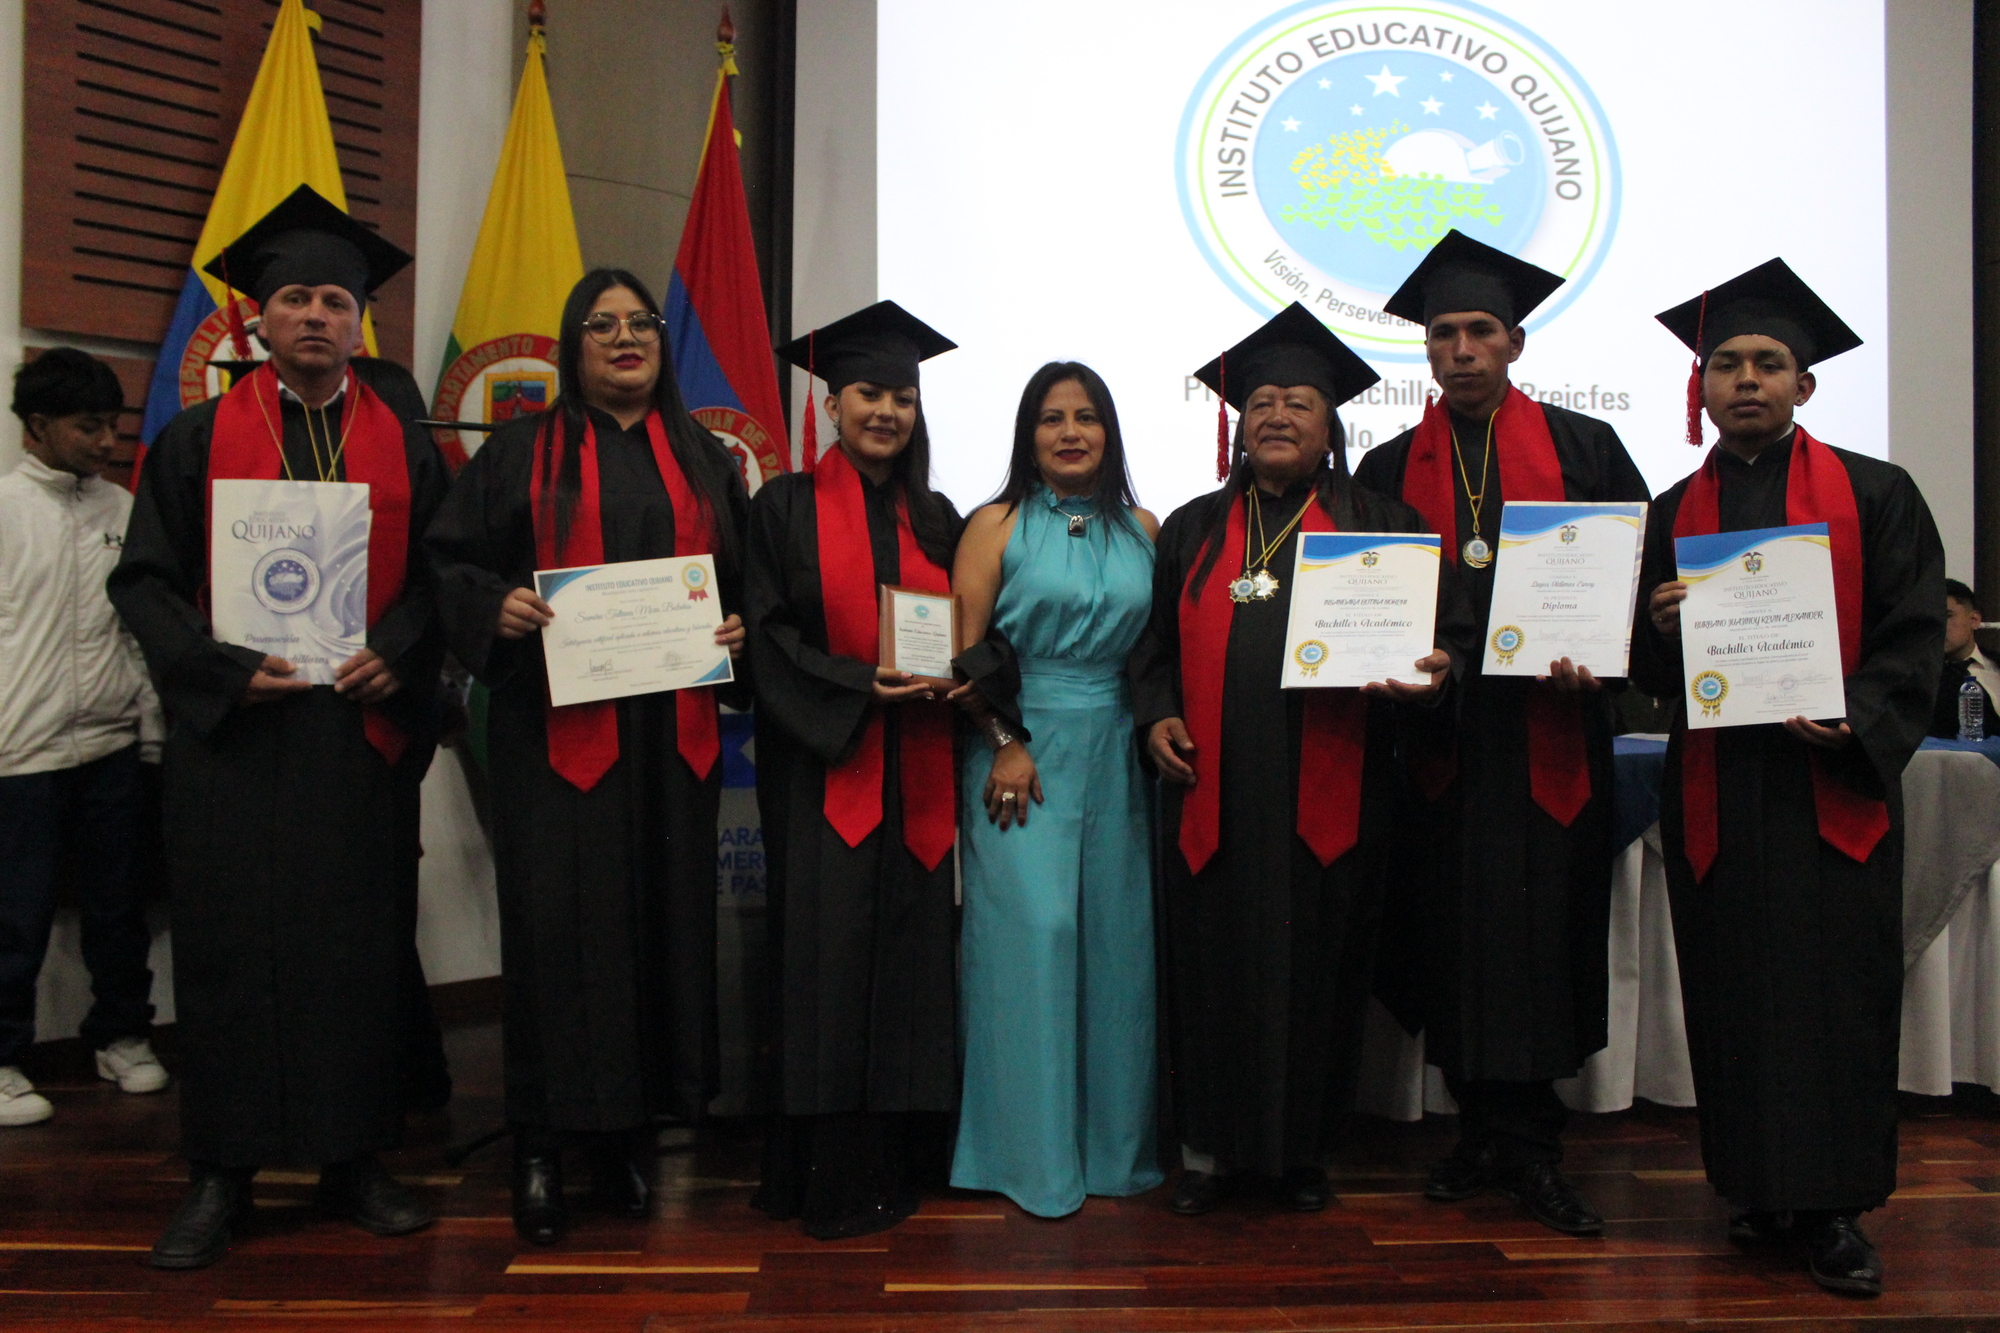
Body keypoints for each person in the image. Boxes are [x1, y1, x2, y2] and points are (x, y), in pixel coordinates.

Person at [108, 186, 448, 1270]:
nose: (315, 316)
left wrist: (397, 649)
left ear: (359, 323)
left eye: (336, 301)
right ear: (259, 318)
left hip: (355, 737)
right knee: (230, 953)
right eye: (296, 297)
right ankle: (222, 1170)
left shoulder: (403, 441)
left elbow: (443, 574)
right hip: (238, 744)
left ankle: (355, 1159)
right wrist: (217, 669)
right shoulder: (196, 437)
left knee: (357, 953)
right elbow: (143, 580)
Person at [1635, 258, 1945, 1296]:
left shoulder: (1876, 492)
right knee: (1731, 992)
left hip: (1826, 789)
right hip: (1719, 789)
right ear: (1701, 385)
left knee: (1831, 998)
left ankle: (1833, 1209)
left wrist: (1855, 717)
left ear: (1803, 383)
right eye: (1725, 363)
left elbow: (1913, 637)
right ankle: (1755, 1189)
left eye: (1767, 362)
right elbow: (1648, 675)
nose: (1745, 379)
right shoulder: (1671, 509)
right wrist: (1659, 628)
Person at [427, 268, 749, 1245]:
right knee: (560, 936)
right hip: (558, 740)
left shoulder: (704, 460)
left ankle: (624, 1138)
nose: (623, 337)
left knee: (654, 932)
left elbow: (742, 582)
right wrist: (494, 604)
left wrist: (736, 628)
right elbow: (449, 561)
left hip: (670, 746)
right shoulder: (519, 451)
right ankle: (539, 1144)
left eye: (638, 321)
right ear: (573, 345)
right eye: (601, 324)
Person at [1130, 302, 1468, 1216]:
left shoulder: (1381, 523)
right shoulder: (1194, 528)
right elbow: (1152, 651)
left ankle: (1304, 1152)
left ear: (1330, 428)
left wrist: (1435, 673)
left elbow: (1441, 640)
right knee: (1214, 975)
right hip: (1213, 793)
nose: (1277, 415)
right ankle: (1213, 1153)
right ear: (1239, 423)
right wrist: (1156, 716)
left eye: (1300, 403)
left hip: (1335, 796)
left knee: (1319, 973)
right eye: (1262, 402)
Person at [1355, 231, 1651, 1235]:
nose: (1462, 349)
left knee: (1538, 938)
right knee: (1453, 937)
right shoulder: (1389, 464)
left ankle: (1531, 1146)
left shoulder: (1583, 447)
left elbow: (1631, 576)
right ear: (1426, 349)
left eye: (1481, 330)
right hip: (1444, 741)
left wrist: (1603, 653)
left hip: (1547, 733)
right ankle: (1478, 1132)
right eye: (1444, 333)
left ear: (1515, 342)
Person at [748, 301, 965, 1239]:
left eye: (902, 397)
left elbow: (975, 631)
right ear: (832, 404)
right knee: (827, 961)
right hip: (822, 772)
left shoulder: (940, 518)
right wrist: (850, 685)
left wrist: (965, 674)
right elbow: (765, 636)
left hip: (916, 771)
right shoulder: (782, 507)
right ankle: (824, 1172)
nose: (886, 411)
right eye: (869, 393)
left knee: (909, 959)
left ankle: (901, 1158)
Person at [947, 361, 1162, 1217]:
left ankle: (1113, 1154)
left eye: (1086, 416)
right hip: (1018, 754)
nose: (1070, 431)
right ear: (1027, 436)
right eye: (1050, 417)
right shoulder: (993, 524)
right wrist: (1004, 741)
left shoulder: (1144, 528)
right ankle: (1024, 1158)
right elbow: (962, 657)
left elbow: (1157, 657)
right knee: (1034, 939)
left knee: (1116, 950)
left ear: (1109, 432)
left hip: (1116, 754)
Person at [0, 349, 166, 1129]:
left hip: (111, 750)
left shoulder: (124, 511)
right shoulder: (5, 509)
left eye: (113, 425)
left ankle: (122, 1034)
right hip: (18, 756)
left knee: (117, 908)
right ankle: (3, 1057)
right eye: (88, 426)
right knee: (15, 915)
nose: (106, 441)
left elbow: (140, 634)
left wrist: (150, 735)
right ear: (37, 426)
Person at [1930, 579, 1997, 739]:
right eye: (1931, 617)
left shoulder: (1995, 663)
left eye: (1947, 616)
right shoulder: (1919, 675)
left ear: (1974, 620)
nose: (1938, 625)